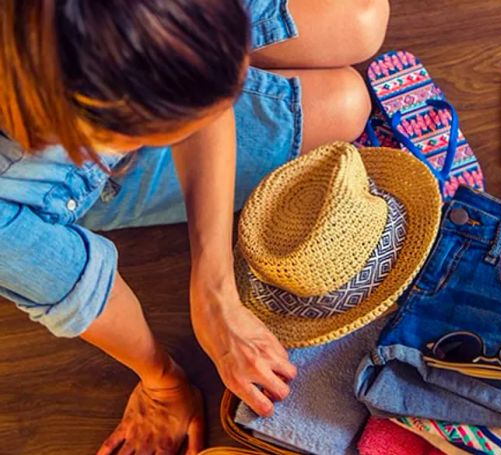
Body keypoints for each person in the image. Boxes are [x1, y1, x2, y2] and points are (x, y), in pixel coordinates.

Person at [0, 0, 389, 453]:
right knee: (345, 105)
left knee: (365, 20)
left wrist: (215, 284)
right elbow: (80, 292)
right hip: (49, 179)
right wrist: (161, 382)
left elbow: (201, 106)